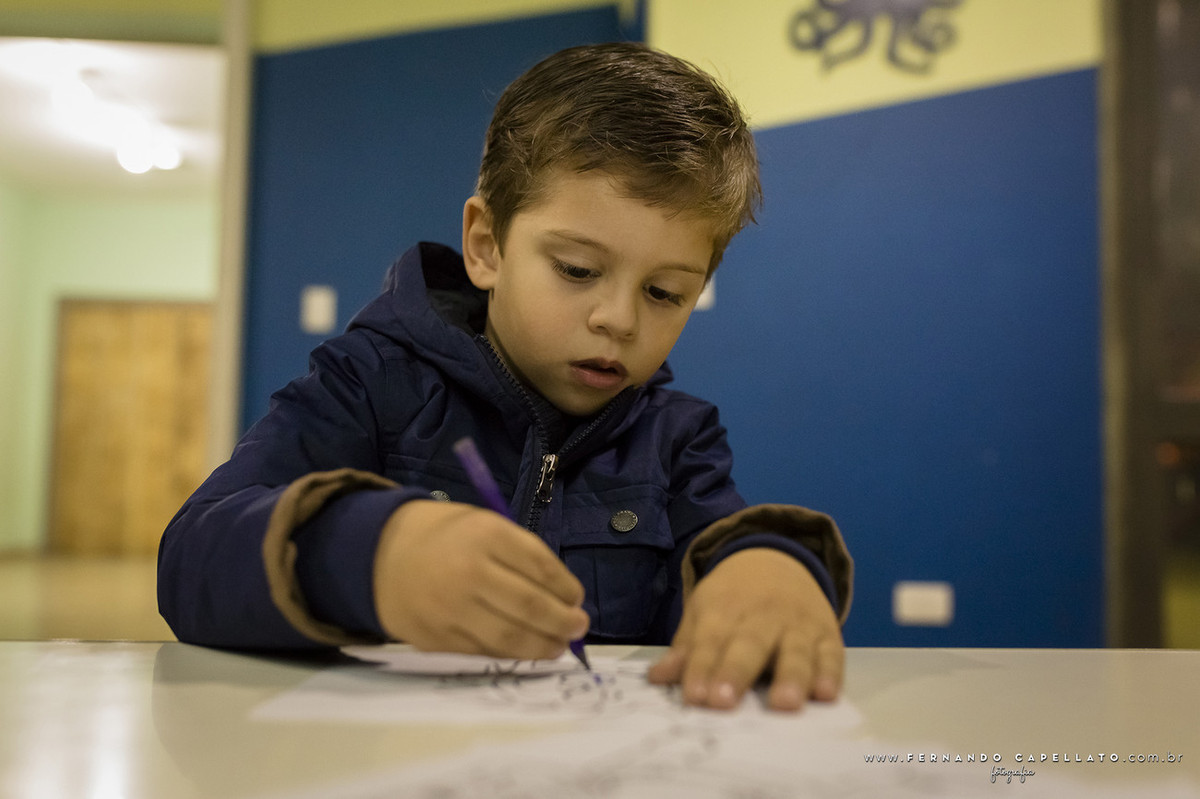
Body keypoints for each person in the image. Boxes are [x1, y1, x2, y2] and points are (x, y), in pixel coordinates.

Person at [158, 41, 852, 712]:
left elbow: (721, 548)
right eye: (577, 270)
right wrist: (371, 554)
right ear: (486, 246)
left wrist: (770, 567)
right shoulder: (368, 382)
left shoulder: (677, 438)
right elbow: (191, 559)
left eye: (666, 292)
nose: (618, 319)